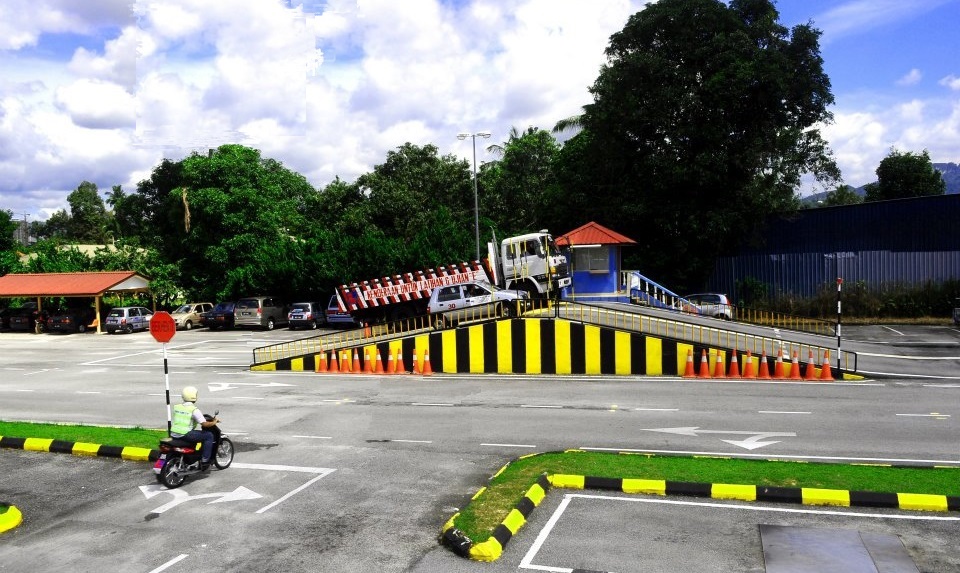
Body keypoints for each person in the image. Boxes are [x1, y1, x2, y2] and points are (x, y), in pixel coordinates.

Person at [170, 385, 219, 470]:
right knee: (208, 435)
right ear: (194, 396)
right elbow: (204, 424)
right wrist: (214, 422)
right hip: (185, 434)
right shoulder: (194, 410)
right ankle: (205, 460)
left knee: (196, 434)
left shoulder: (177, 407)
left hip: (174, 433)